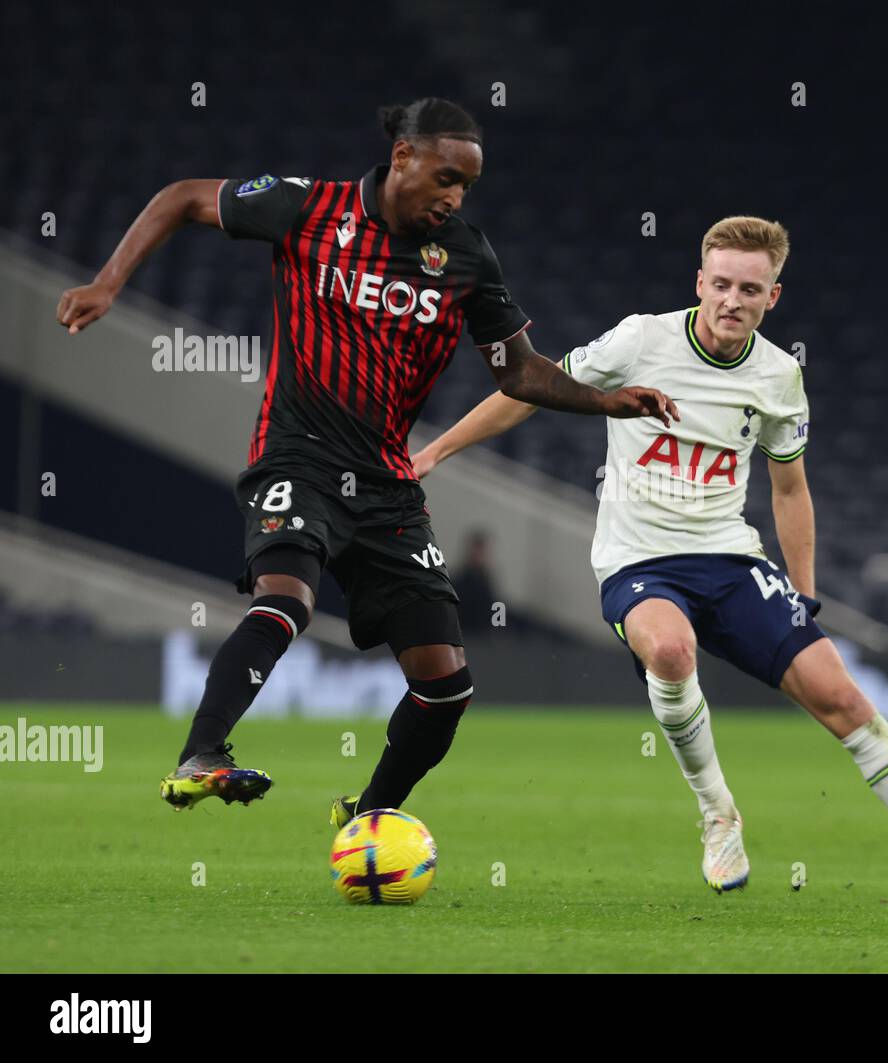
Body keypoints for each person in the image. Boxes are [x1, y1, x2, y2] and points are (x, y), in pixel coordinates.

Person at [55, 97, 678, 823]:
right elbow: (183, 197)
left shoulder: (468, 258)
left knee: (446, 684)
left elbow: (519, 371)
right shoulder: (307, 208)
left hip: (388, 485)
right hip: (298, 456)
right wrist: (108, 280)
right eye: (446, 177)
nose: (454, 197)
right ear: (403, 157)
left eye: (467, 187)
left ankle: (368, 815)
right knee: (287, 596)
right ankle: (203, 753)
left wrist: (605, 399)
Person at [421, 216, 888, 900]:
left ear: (773, 296)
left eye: (750, 288)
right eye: (720, 284)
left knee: (843, 699)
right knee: (672, 651)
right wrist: (437, 451)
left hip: (729, 557)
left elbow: (790, 487)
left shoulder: (778, 374)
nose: (731, 300)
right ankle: (718, 813)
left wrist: (803, 594)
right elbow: (526, 390)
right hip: (637, 558)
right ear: (699, 283)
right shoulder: (642, 339)